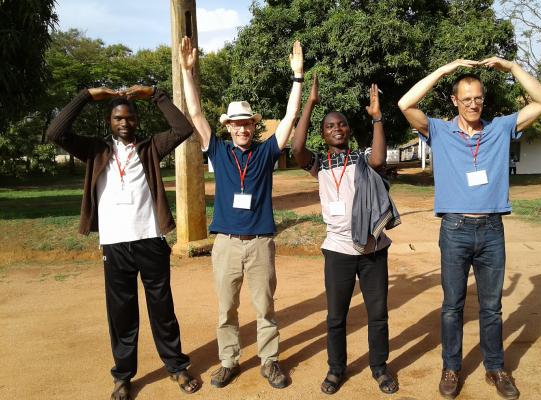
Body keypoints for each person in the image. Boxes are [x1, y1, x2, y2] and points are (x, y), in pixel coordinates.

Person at [398, 57, 541, 399]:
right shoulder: (439, 130)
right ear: (455, 100)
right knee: (452, 306)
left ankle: (495, 368)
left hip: (492, 230)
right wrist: (443, 70)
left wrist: (512, 67)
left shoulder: (500, 128)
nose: (473, 104)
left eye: (478, 98)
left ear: (484, 99)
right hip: (454, 229)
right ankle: (451, 368)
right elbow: (405, 103)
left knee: (491, 306)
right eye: (465, 98)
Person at [47, 84, 200, 400]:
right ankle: (123, 376)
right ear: (109, 121)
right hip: (115, 245)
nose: (125, 123)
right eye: (118, 118)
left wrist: (155, 95)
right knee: (121, 314)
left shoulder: (150, 147)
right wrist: (87, 96)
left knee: (163, 310)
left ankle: (176, 366)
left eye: (129, 118)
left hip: (150, 240)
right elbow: (56, 132)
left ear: (136, 121)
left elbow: (183, 128)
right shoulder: (95, 150)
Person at [179, 36, 303, 389]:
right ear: (228, 127)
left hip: (261, 243)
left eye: (248, 123)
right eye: (237, 123)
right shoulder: (217, 151)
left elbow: (291, 116)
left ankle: (269, 361)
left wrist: (296, 77)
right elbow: (196, 114)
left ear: (253, 126)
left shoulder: (265, 153)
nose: (243, 128)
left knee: (264, 308)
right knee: (226, 310)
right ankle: (228, 360)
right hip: (227, 245)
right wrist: (188, 73)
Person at [292, 75, 401, 395]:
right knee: (336, 316)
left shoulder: (361, 159)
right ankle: (336, 369)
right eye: (329, 126)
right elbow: (296, 147)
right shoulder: (318, 164)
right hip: (338, 250)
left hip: (372, 249)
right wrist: (310, 104)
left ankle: (379, 367)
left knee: (377, 314)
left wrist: (377, 118)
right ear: (323, 133)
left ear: (349, 130)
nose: (336, 128)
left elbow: (380, 159)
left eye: (341, 124)